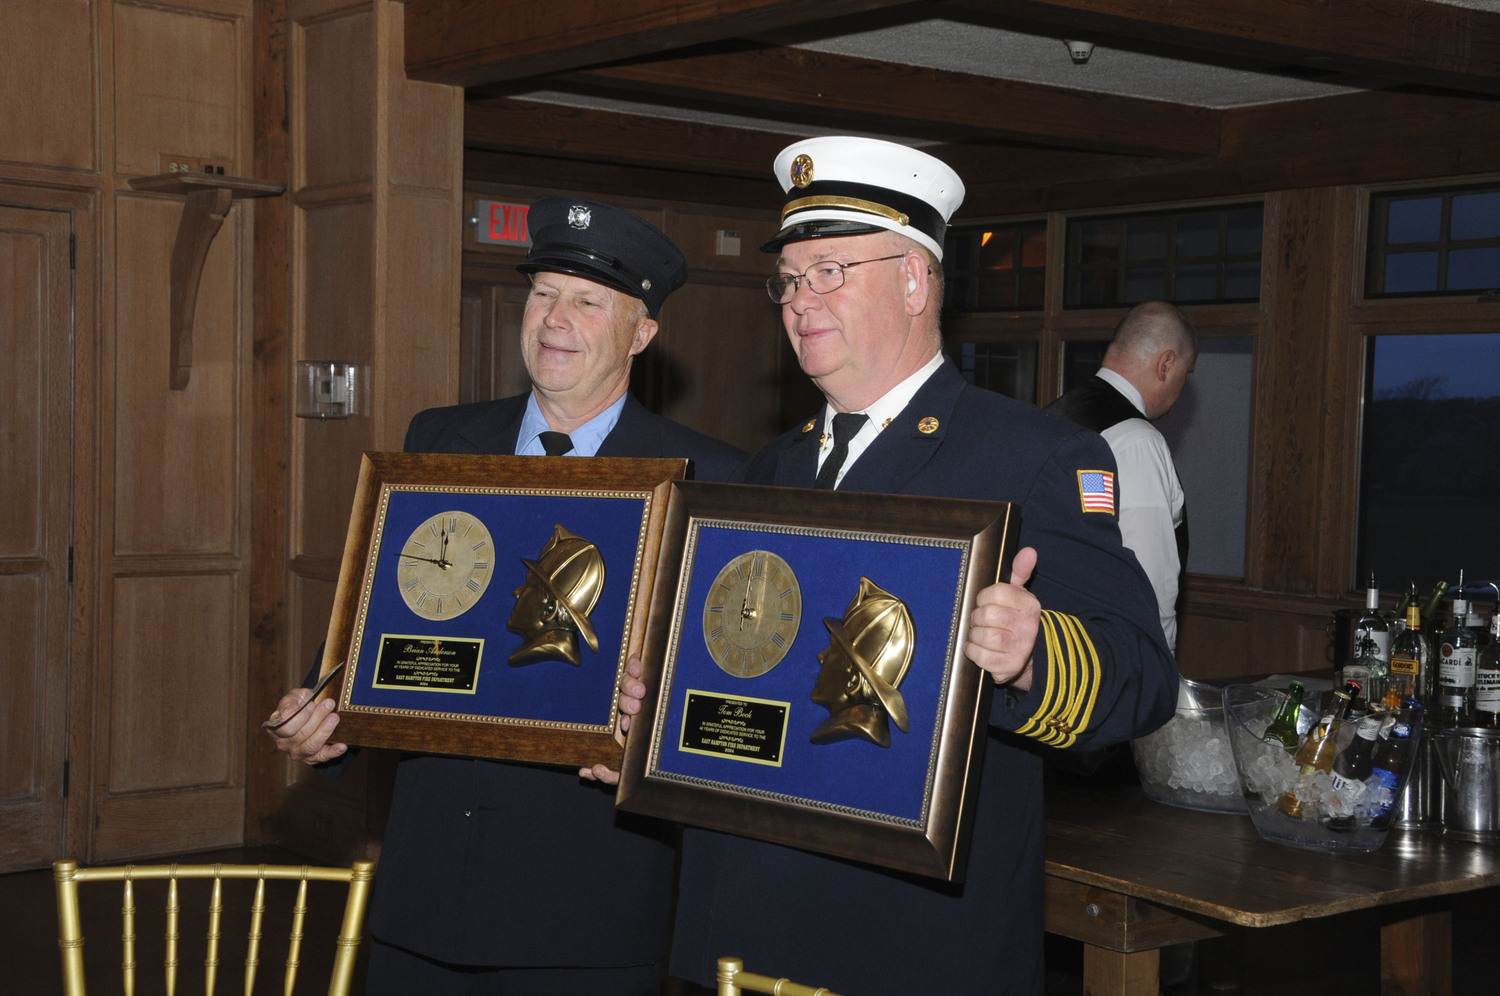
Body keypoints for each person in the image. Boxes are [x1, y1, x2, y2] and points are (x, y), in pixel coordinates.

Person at [617, 136, 1178, 995]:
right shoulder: (765, 470)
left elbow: (1143, 678)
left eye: (830, 271)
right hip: (735, 927)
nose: (801, 300)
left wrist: (1034, 654)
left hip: (901, 942)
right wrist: (660, 709)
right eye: (791, 280)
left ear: (915, 281)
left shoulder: (1035, 456)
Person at [265, 196, 745, 996]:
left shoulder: (708, 477)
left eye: (589, 302)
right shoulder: (439, 440)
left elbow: (717, 698)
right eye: (544, 293)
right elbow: (390, 614)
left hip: (588, 905)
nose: (556, 319)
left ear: (643, 333)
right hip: (423, 888)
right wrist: (327, 713)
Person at [1047, 301, 1196, 652]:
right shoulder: (1137, 441)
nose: (1181, 390)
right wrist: (1157, 680)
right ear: (1166, 364)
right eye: (1185, 375)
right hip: (1108, 657)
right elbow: (1149, 583)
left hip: (1055, 649)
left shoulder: (1054, 415)